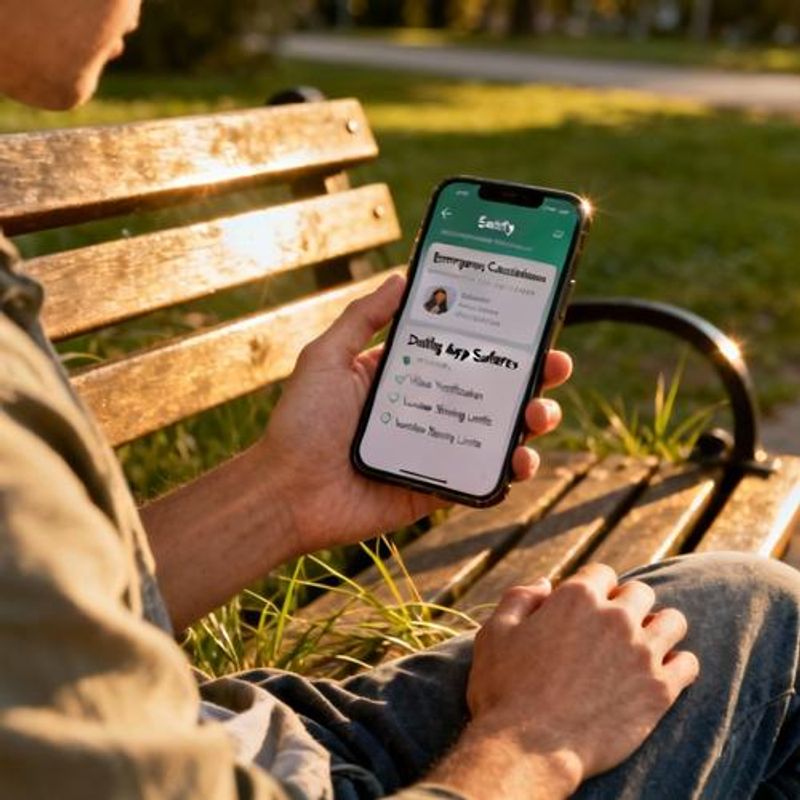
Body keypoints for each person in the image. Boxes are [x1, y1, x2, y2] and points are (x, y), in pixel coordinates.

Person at [1, 2, 800, 798]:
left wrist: (288, 490)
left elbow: (41, 621)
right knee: (761, 629)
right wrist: (540, 738)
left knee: (743, 613)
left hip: (232, 725)